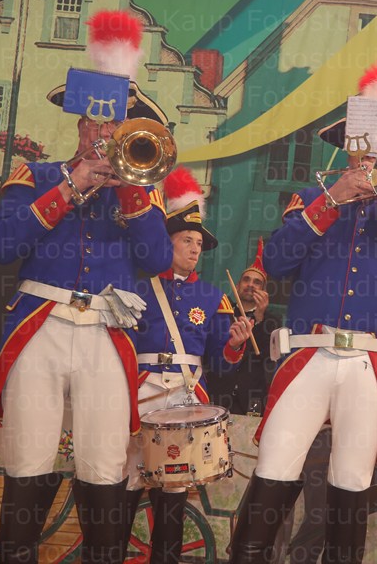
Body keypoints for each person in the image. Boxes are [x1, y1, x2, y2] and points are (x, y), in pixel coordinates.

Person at [229, 60, 377, 564]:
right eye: (358, 141)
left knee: (351, 480)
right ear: (346, 146)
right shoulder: (309, 198)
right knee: (275, 466)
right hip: (309, 352)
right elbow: (276, 261)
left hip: (369, 362)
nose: (365, 152)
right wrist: (332, 198)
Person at [0, 10, 173, 563]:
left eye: (116, 124)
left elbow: (158, 259)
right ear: (79, 124)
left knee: (103, 465)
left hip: (105, 333)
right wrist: (71, 186)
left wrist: (128, 189)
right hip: (39, 327)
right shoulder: (36, 175)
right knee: (27, 461)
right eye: (97, 123)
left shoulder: (141, 192)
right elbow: (3, 244)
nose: (105, 133)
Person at [120, 166, 253, 563]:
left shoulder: (213, 298)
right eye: (186, 240)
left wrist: (234, 345)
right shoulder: (137, 287)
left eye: (198, 243)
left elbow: (220, 364)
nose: (195, 249)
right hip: (141, 390)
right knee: (127, 479)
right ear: (168, 242)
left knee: (173, 491)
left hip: (185, 395)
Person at [207, 238, 281, 415]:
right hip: (218, 394)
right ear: (237, 286)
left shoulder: (273, 321)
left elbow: (268, 358)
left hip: (251, 398)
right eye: (246, 280)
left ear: (264, 292)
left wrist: (259, 317)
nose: (250, 285)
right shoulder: (221, 313)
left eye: (257, 282)